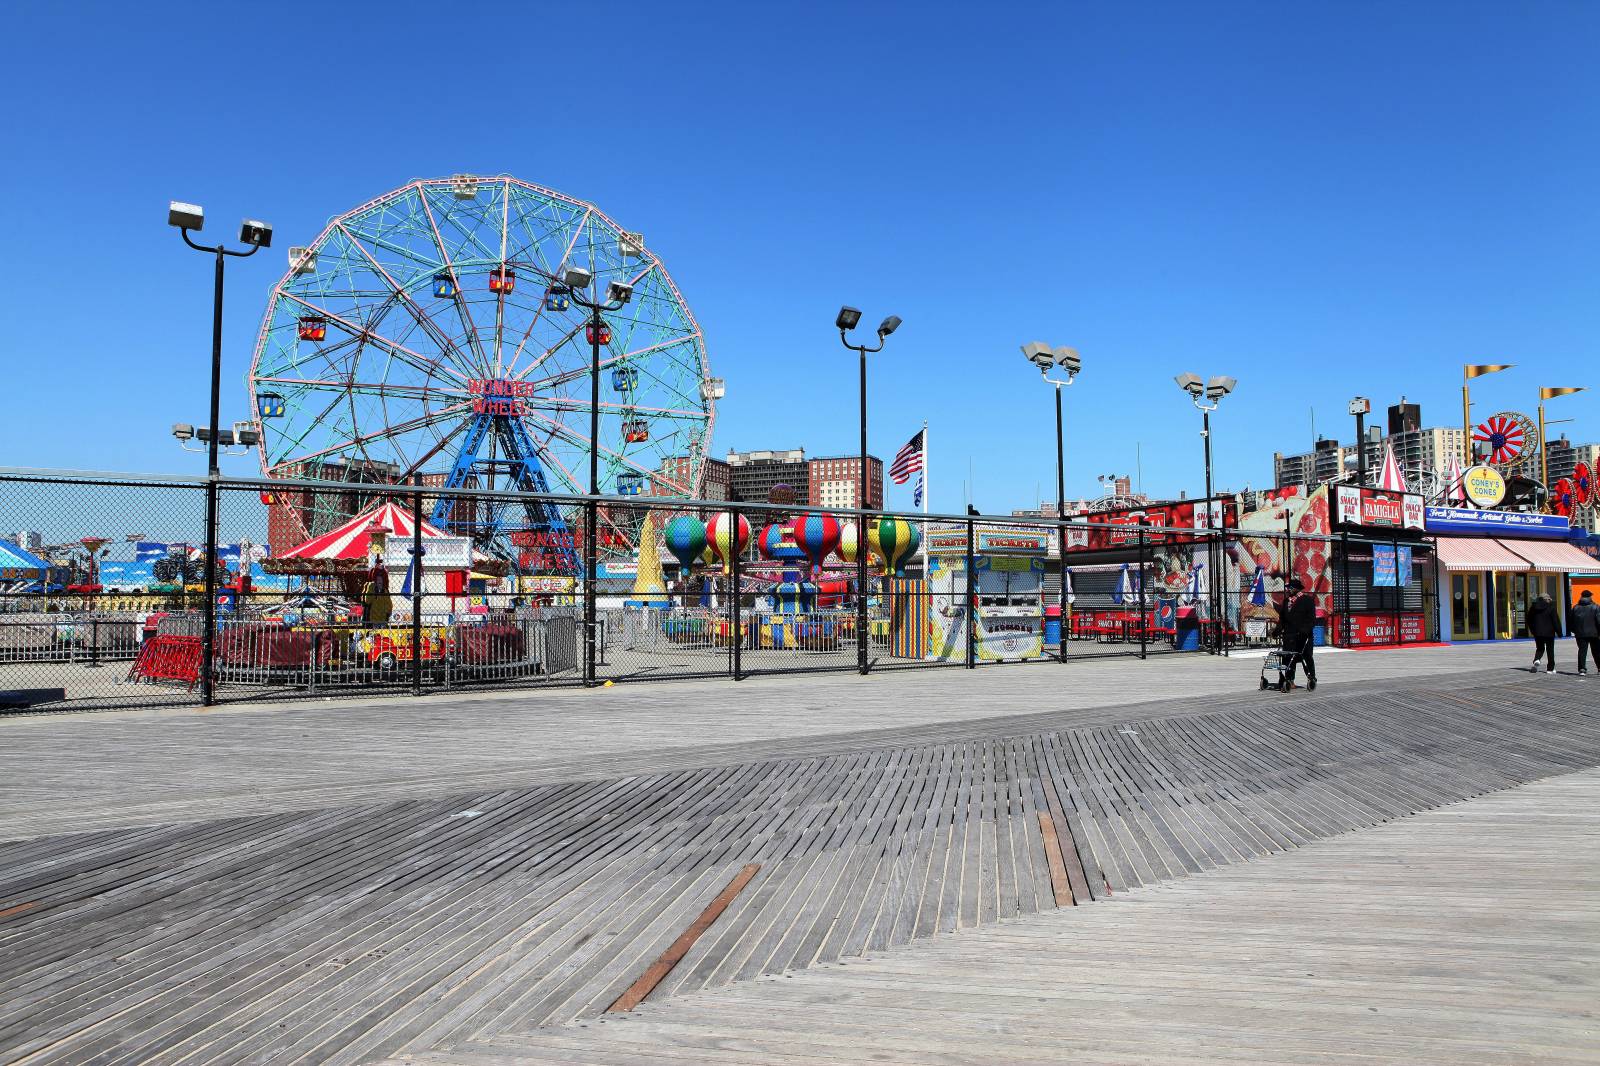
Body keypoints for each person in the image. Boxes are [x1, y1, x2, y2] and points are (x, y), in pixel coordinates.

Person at [1279, 578, 1317, 691]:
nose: (1288, 590)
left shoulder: (1307, 601)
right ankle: (1289, 680)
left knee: (1307, 657)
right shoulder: (1286, 601)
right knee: (1288, 658)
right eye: (1287, 588)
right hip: (1289, 636)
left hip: (1303, 636)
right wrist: (1277, 630)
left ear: (1297, 589)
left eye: (1290, 588)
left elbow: (1311, 619)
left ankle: (1311, 678)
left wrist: (1304, 630)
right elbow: (1282, 619)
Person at [1525, 595, 1560, 673]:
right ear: (1547, 599)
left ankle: (1537, 659)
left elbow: (1529, 620)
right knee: (1550, 650)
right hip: (1549, 633)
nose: (1550, 600)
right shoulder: (1551, 608)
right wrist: (1559, 632)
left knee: (1540, 648)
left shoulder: (1533, 608)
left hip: (1537, 632)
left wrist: (1532, 630)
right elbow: (1555, 621)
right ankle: (1550, 669)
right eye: (1549, 599)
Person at [1572, 589, 1600, 677]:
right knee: (1597, 651)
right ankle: (1599, 668)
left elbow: (1571, 621)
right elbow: (1599, 621)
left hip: (1580, 634)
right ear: (1590, 597)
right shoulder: (1595, 607)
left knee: (1582, 651)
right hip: (1594, 633)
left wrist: (1574, 631)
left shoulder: (1575, 607)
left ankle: (1582, 669)